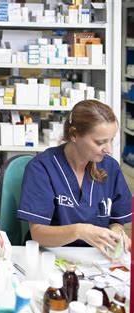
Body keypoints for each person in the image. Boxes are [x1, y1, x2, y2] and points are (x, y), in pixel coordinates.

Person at [18, 100, 132, 257]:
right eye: (100, 142)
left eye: (111, 140)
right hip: (51, 256)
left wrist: (116, 232)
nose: (109, 149)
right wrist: (80, 231)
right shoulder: (42, 168)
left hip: (98, 258)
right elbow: (38, 234)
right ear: (73, 135)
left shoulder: (109, 167)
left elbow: (116, 220)